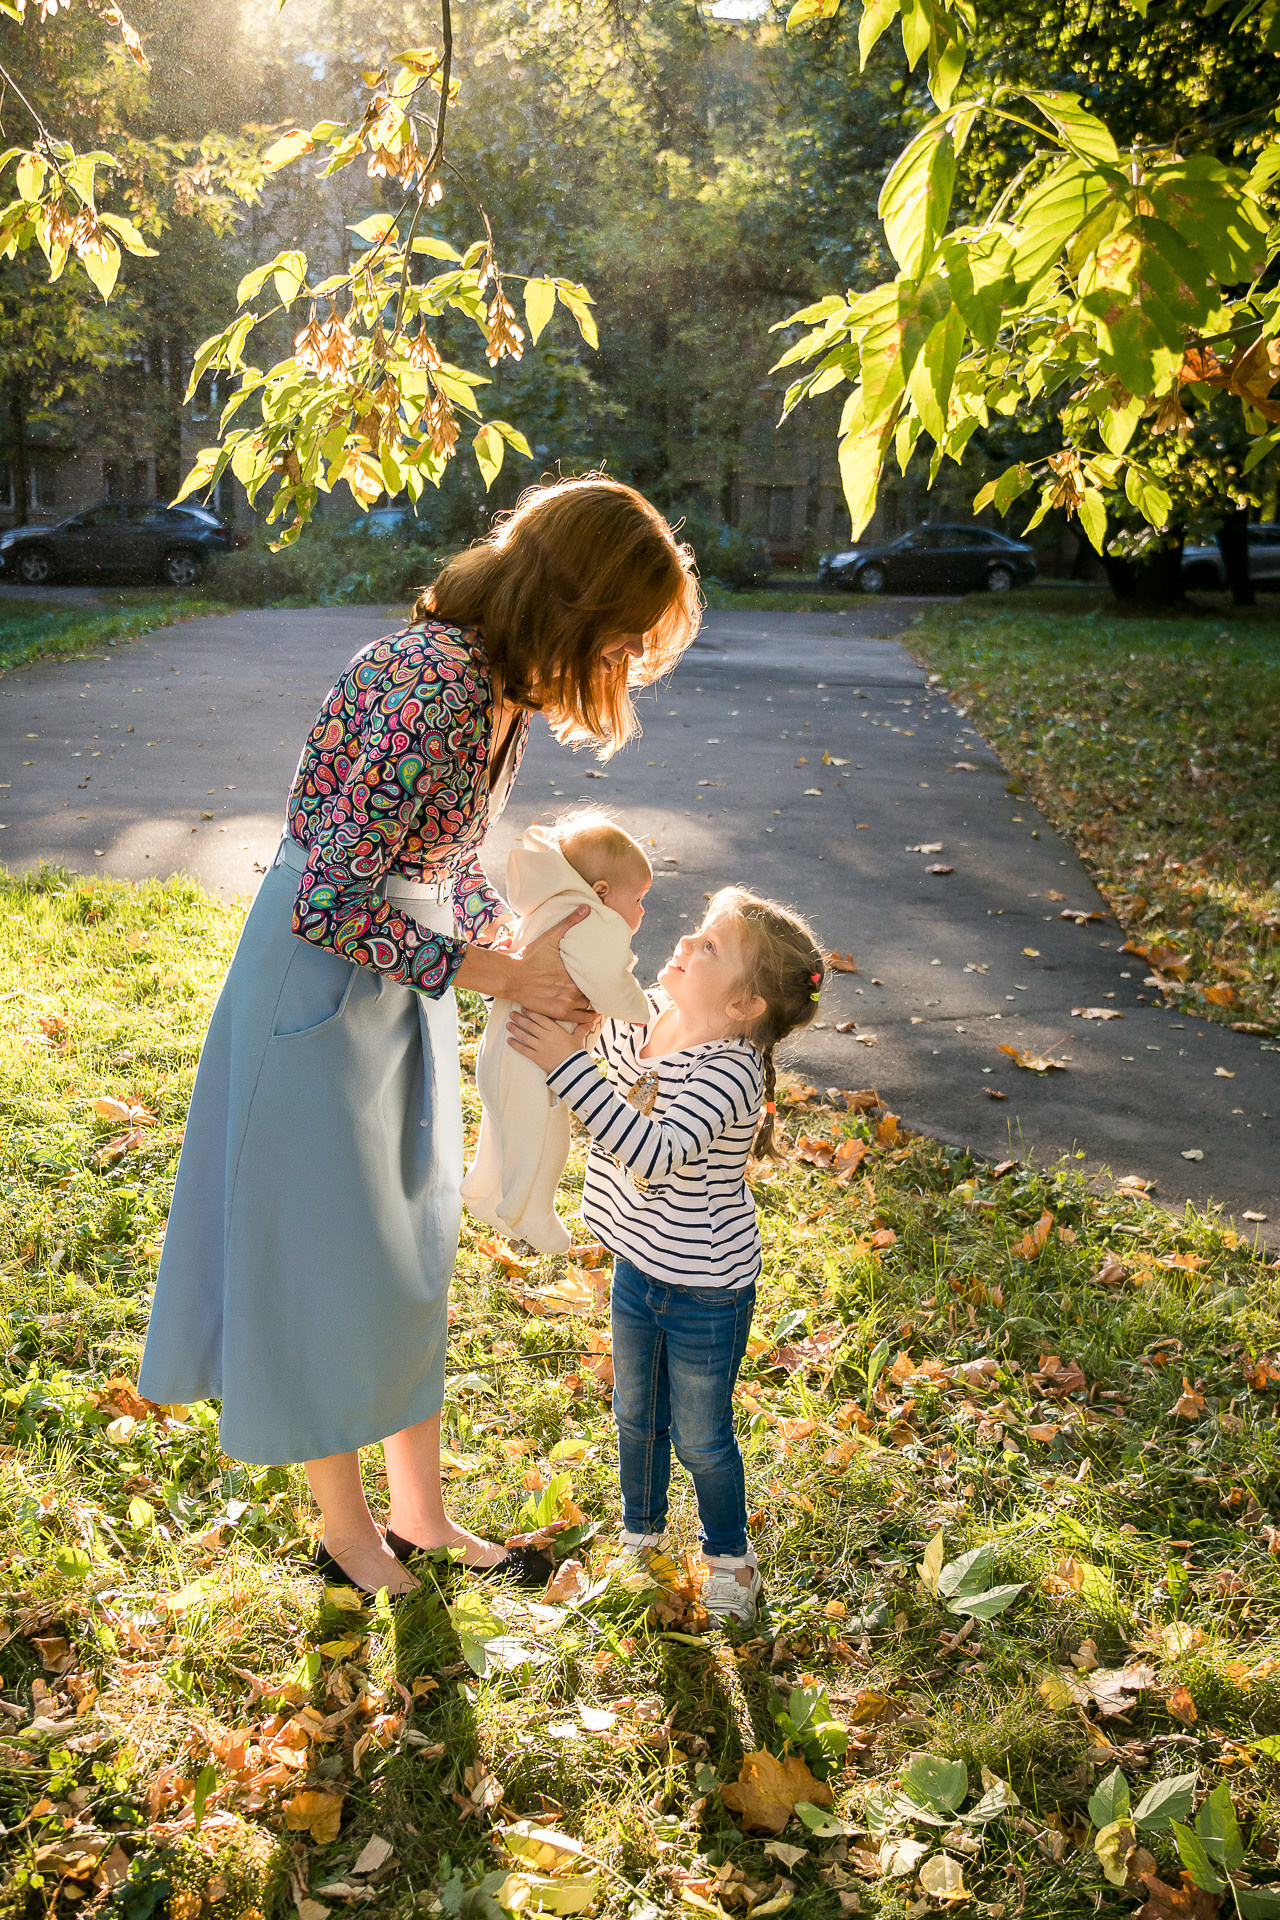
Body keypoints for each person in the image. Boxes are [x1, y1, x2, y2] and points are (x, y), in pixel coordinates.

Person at [137, 477, 701, 1598]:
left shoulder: (500, 691)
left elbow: (437, 872)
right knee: (326, 1262)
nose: (629, 665)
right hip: (317, 991)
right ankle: (348, 1536)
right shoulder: (424, 683)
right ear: (576, 605)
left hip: (401, 979)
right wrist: (496, 970)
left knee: (405, 1256)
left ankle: (421, 1515)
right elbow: (327, 904)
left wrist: (536, 971)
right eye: (626, 638)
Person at [506, 886, 825, 1625]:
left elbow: (654, 1153)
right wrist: (576, 1023)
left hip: (706, 1288)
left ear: (745, 1005)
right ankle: (642, 1540)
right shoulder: (647, 1017)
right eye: (696, 933)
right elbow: (595, 1031)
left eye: (710, 947)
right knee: (634, 1414)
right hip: (638, 1266)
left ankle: (729, 1560)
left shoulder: (729, 1071)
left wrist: (567, 1065)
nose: (686, 943)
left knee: (702, 1436)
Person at [461, 810, 652, 1254]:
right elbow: (608, 981)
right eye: (639, 898)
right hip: (534, 1055)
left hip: (501, 1045)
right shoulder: (593, 919)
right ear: (602, 892)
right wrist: (638, 1009)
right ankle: (530, 1211)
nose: (641, 910)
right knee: (544, 1137)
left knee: (500, 1122)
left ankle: (481, 1183)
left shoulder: (545, 905)